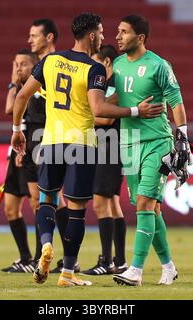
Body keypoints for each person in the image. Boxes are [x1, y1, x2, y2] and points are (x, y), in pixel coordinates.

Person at [11, 12, 162, 287]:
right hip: (81, 144)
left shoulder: (50, 61)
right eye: (102, 33)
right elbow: (99, 109)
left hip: (52, 139)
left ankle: (46, 244)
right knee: (77, 209)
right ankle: (68, 273)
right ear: (91, 35)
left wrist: (17, 131)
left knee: (47, 200)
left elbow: (21, 95)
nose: (105, 37)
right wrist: (135, 109)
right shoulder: (93, 69)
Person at [111, 15, 191, 287]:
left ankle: (135, 270)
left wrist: (182, 138)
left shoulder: (158, 65)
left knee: (145, 202)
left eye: (124, 32)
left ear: (140, 37)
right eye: (117, 32)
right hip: (128, 142)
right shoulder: (118, 65)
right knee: (151, 208)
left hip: (157, 142)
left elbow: (176, 103)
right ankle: (168, 267)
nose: (118, 37)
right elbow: (111, 100)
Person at [26, 18, 79, 273]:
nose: (30, 39)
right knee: (47, 199)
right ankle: (51, 256)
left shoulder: (54, 67)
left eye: (35, 35)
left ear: (50, 38)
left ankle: (61, 257)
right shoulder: (41, 67)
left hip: (51, 140)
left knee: (48, 199)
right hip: (44, 140)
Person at [81, 45, 127, 276]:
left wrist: (84, 115)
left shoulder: (112, 85)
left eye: (95, 61)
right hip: (108, 146)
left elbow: (105, 119)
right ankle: (119, 261)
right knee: (112, 202)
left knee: (100, 202)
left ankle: (106, 261)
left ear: (106, 62)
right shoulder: (109, 86)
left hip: (110, 147)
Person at [0, 49, 39, 273]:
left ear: (33, 67)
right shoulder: (17, 89)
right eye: (15, 64)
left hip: (30, 151)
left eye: (23, 64)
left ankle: (37, 257)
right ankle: (25, 257)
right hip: (15, 152)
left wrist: (27, 151)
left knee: (37, 204)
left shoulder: (37, 91)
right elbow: (8, 109)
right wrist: (14, 84)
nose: (18, 68)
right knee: (10, 208)